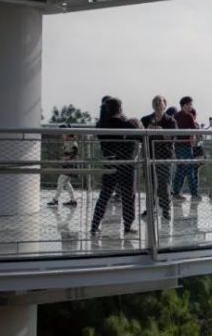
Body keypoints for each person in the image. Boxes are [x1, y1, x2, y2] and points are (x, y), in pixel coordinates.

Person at [90, 97, 141, 236]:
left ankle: (94, 225)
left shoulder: (101, 124)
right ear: (119, 108)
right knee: (128, 196)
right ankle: (128, 226)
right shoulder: (120, 122)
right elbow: (139, 135)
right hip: (125, 163)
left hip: (109, 162)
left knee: (104, 196)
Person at [140, 95, 176, 220]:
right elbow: (139, 137)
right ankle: (150, 209)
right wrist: (147, 130)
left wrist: (160, 131)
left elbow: (171, 140)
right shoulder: (145, 120)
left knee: (164, 185)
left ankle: (166, 210)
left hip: (164, 156)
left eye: (160, 101)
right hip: (149, 155)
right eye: (155, 101)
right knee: (150, 184)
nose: (157, 103)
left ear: (165, 105)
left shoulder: (170, 121)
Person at [171, 96, 200, 201]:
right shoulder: (189, 116)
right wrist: (192, 142)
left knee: (180, 169)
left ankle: (176, 192)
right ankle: (194, 194)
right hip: (186, 146)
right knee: (189, 171)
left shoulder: (175, 116)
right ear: (185, 105)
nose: (191, 107)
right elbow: (193, 132)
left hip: (178, 146)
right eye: (190, 104)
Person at [48, 126, 79, 207]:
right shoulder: (68, 141)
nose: (62, 135)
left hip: (70, 165)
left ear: (68, 133)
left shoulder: (72, 142)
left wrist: (67, 157)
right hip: (68, 164)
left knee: (61, 180)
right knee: (66, 183)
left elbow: (75, 152)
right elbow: (69, 152)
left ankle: (55, 200)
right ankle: (73, 200)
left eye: (63, 133)